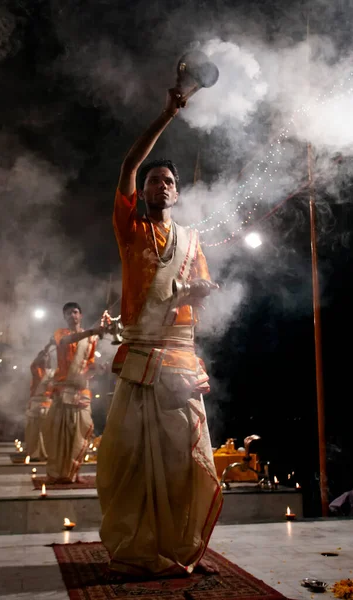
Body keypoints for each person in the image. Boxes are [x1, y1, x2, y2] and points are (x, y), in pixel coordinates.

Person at [96, 88, 223, 577]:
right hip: (140, 360)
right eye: (153, 180)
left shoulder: (191, 241)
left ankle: (180, 548)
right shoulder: (130, 228)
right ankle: (133, 549)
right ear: (141, 190)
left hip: (181, 365)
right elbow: (130, 159)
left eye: (168, 181)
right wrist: (169, 111)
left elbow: (196, 304)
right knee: (128, 462)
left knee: (184, 463)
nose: (161, 185)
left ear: (177, 191)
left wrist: (200, 295)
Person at [42, 302, 102, 483]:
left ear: (80, 315)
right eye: (67, 313)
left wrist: (91, 374)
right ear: (64, 317)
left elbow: (91, 364)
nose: (72, 316)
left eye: (75, 312)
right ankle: (56, 473)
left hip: (81, 390)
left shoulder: (91, 340)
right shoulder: (61, 333)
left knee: (80, 431)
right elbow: (66, 342)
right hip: (62, 389)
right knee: (60, 433)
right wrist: (92, 331)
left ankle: (74, 473)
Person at [24, 347, 55, 461]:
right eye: (43, 356)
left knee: (47, 430)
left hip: (48, 402)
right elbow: (34, 364)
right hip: (36, 402)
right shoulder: (37, 370)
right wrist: (47, 348)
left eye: (47, 356)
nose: (45, 358)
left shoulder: (53, 372)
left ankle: (48, 454)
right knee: (34, 430)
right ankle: (35, 454)